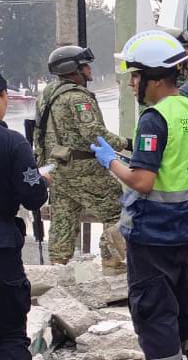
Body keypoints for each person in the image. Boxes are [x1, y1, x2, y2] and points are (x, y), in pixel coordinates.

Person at [90, 30, 188, 360]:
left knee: (154, 314)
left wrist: (111, 162)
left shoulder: (155, 118)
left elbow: (144, 182)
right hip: (187, 231)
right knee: (187, 306)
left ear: (155, 76)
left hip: (152, 234)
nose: (132, 83)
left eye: (135, 75)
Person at [35, 45, 129, 272]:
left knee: (63, 217)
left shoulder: (47, 94)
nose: (89, 68)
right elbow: (94, 133)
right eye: (85, 64)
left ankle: (57, 269)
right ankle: (112, 262)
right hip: (83, 167)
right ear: (74, 68)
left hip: (56, 167)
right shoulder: (77, 97)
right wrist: (126, 144)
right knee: (116, 208)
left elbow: (38, 132)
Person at [0, 70, 50, 360]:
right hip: (3, 250)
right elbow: (34, 198)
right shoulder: (13, 144)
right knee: (11, 334)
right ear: (3, 98)